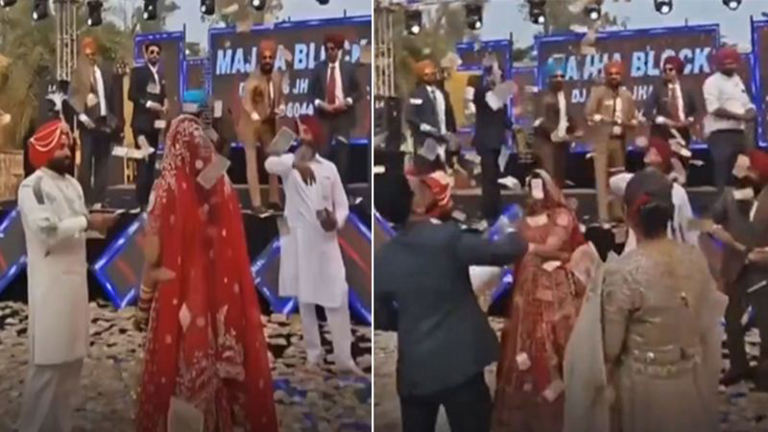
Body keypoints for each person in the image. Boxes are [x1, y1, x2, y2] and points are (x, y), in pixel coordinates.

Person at [133, 107, 278, 432]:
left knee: (183, 375)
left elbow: (153, 253)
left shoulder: (168, 187)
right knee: (220, 372)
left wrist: (143, 304)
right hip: (222, 295)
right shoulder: (221, 182)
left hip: (179, 299)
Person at [374, 172, 528, 432]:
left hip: (415, 371)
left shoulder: (383, 258)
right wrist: (517, 229)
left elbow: (382, 316)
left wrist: (410, 321)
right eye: (419, 187)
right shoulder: (446, 238)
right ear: (415, 203)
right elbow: (503, 251)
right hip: (461, 365)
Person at [599, 169, 723, 432]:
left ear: (627, 213)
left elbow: (610, 347)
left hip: (644, 392)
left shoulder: (623, 271)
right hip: (691, 382)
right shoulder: (696, 260)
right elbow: (707, 324)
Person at [16, 119, 118, 432]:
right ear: (42, 149)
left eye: (68, 145)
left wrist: (99, 224)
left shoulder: (73, 185)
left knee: (71, 368)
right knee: (47, 372)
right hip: (50, 291)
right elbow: (47, 231)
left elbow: (77, 228)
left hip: (75, 288)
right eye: (60, 146)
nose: (67, 151)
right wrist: (88, 222)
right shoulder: (32, 186)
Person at [264, 114, 363, 375]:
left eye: (308, 132)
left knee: (336, 295)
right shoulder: (287, 163)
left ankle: (344, 359)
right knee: (305, 299)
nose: (304, 136)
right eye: (301, 132)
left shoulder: (329, 168)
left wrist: (336, 221)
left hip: (325, 241)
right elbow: (269, 163)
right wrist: (296, 164)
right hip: (298, 241)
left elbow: (342, 205)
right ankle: (313, 356)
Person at [491, 169, 587, 432]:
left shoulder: (561, 215)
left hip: (554, 287)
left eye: (538, 185)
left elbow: (554, 245)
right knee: (525, 340)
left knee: (554, 338)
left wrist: (526, 248)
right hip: (527, 286)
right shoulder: (524, 217)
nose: (535, 192)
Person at [709, 150, 768, 388]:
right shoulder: (728, 196)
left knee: (765, 323)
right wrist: (714, 231)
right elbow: (702, 222)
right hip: (734, 269)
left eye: (744, 168)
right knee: (732, 322)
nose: (738, 172)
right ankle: (738, 365)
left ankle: (764, 371)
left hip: (763, 272)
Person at [610, 137, 698, 253]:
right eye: (650, 150)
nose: (651, 151)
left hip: (666, 249)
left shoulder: (676, 190)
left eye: (656, 151)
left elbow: (688, 225)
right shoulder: (636, 183)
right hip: (638, 250)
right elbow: (613, 182)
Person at [237, 39, 288, 215]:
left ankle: (274, 199)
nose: (267, 61)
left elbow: (281, 97)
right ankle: (256, 203)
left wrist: (282, 106)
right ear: (260, 59)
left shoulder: (277, 76)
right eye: (264, 58)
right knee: (252, 163)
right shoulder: (253, 78)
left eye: (270, 58)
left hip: (267, 123)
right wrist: (252, 113)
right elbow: (246, 100)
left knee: (273, 159)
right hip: (250, 125)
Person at [585, 60, 639, 223]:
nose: (614, 77)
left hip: (619, 141)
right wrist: (603, 119)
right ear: (606, 75)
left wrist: (630, 123)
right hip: (602, 141)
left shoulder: (626, 95)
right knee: (602, 178)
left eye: (617, 74)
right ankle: (604, 216)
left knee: (619, 177)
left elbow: (633, 117)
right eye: (611, 74)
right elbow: (588, 113)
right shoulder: (598, 92)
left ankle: (618, 212)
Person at [69, 36, 117, 209]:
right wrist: (82, 116)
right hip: (88, 123)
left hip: (104, 121)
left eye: (93, 54)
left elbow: (112, 95)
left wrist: (114, 119)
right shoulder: (79, 73)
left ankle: (99, 199)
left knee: (103, 162)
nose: (90, 57)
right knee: (86, 163)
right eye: (87, 54)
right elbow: (72, 96)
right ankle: (86, 199)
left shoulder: (103, 72)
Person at [308, 33, 362, 187]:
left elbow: (359, 92)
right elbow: (310, 94)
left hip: (343, 117)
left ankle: (341, 191)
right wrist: (321, 104)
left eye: (332, 49)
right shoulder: (318, 68)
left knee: (342, 157)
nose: (329, 52)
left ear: (339, 50)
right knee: (323, 154)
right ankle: (322, 189)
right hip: (324, 117)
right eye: (327, 49)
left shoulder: (348, 68)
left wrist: (347, 102)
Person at [703, 46, 756, 192]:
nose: (730, 66)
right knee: (724, 174)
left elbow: (746, 103)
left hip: (739, 132)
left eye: (732, 63)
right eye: (726, 64)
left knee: (742, 172)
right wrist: (740, 116)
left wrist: (751, 112)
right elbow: (714, 108)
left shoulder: (737, 80)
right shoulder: (712, 82)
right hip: (720, 134)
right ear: (719, 65)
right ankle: (724, 203)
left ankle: (740, 204)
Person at [472, 57, 514, 223]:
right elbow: (493, 103)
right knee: (488, 178)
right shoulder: (481, 91)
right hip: (486, 141)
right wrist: (502, 86)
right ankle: (488, 212)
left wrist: (513, 127)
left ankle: (496, 209)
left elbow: (502, 115)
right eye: (497, 71)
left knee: (495, 177)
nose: (500, 75)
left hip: (498, 141)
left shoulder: (499, 92)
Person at [128, 41, 168, 210]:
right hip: (140, 124)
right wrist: (150, 104)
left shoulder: (161, 75)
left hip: (154, 126)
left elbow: (163, 96)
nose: (155, 55)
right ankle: (141, 202)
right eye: (151, 52)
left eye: (157, 53)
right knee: (143, 162)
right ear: (146, 54)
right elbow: (132, 94)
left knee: (151, 163)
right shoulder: (138, 72)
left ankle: (149, 201)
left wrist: (165, 104)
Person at [533, 59, 580, 187]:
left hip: (561, 144)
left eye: (562, 76)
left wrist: (575, 129)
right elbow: (540, 120)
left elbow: (567, 115)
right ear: (548, 79)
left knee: (559, 177)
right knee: (549, 177)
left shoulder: (564, 96)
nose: (559, 79)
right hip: (546, 144)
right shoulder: (542, 97)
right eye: (555, 77)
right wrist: (553, 132)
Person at [644, 55, 699, 145]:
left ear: (678, 70)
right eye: (665, 70)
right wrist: (664, 120)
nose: (667, 72)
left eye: (670, 69)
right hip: (663, 133)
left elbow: (698, 111)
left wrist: (689, 120)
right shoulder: (659, 88)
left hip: (683, 132)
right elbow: (647, 112)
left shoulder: (688, 88)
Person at [406, 60, 457, 155]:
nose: (430, 76)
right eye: (426, 74)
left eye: (433, 73)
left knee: (446, 162)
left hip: (445, 138)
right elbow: (410, 116)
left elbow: (449, 114)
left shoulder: (442, 93)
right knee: (428, 162)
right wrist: (426, 128)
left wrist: (452, 132)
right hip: (426, 139)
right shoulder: (416, 94)